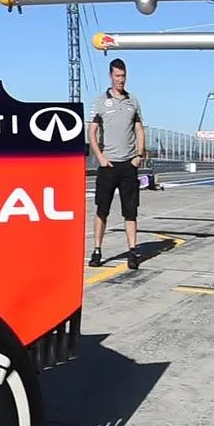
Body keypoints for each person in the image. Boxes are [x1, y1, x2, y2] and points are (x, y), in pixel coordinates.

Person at [88, 57, 146, 269]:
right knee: (102, 209)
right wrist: (100, 157)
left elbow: (139, 129)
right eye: (117, 76)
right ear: (110, 76)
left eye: (123, 76)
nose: (121, 80)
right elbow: (92, 131)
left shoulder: (133, 101)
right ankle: (97, 250)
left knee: (130, 211)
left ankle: (132, 250)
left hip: (128, 165)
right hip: (108, 165)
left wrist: (139, 155)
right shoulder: (100, 102)